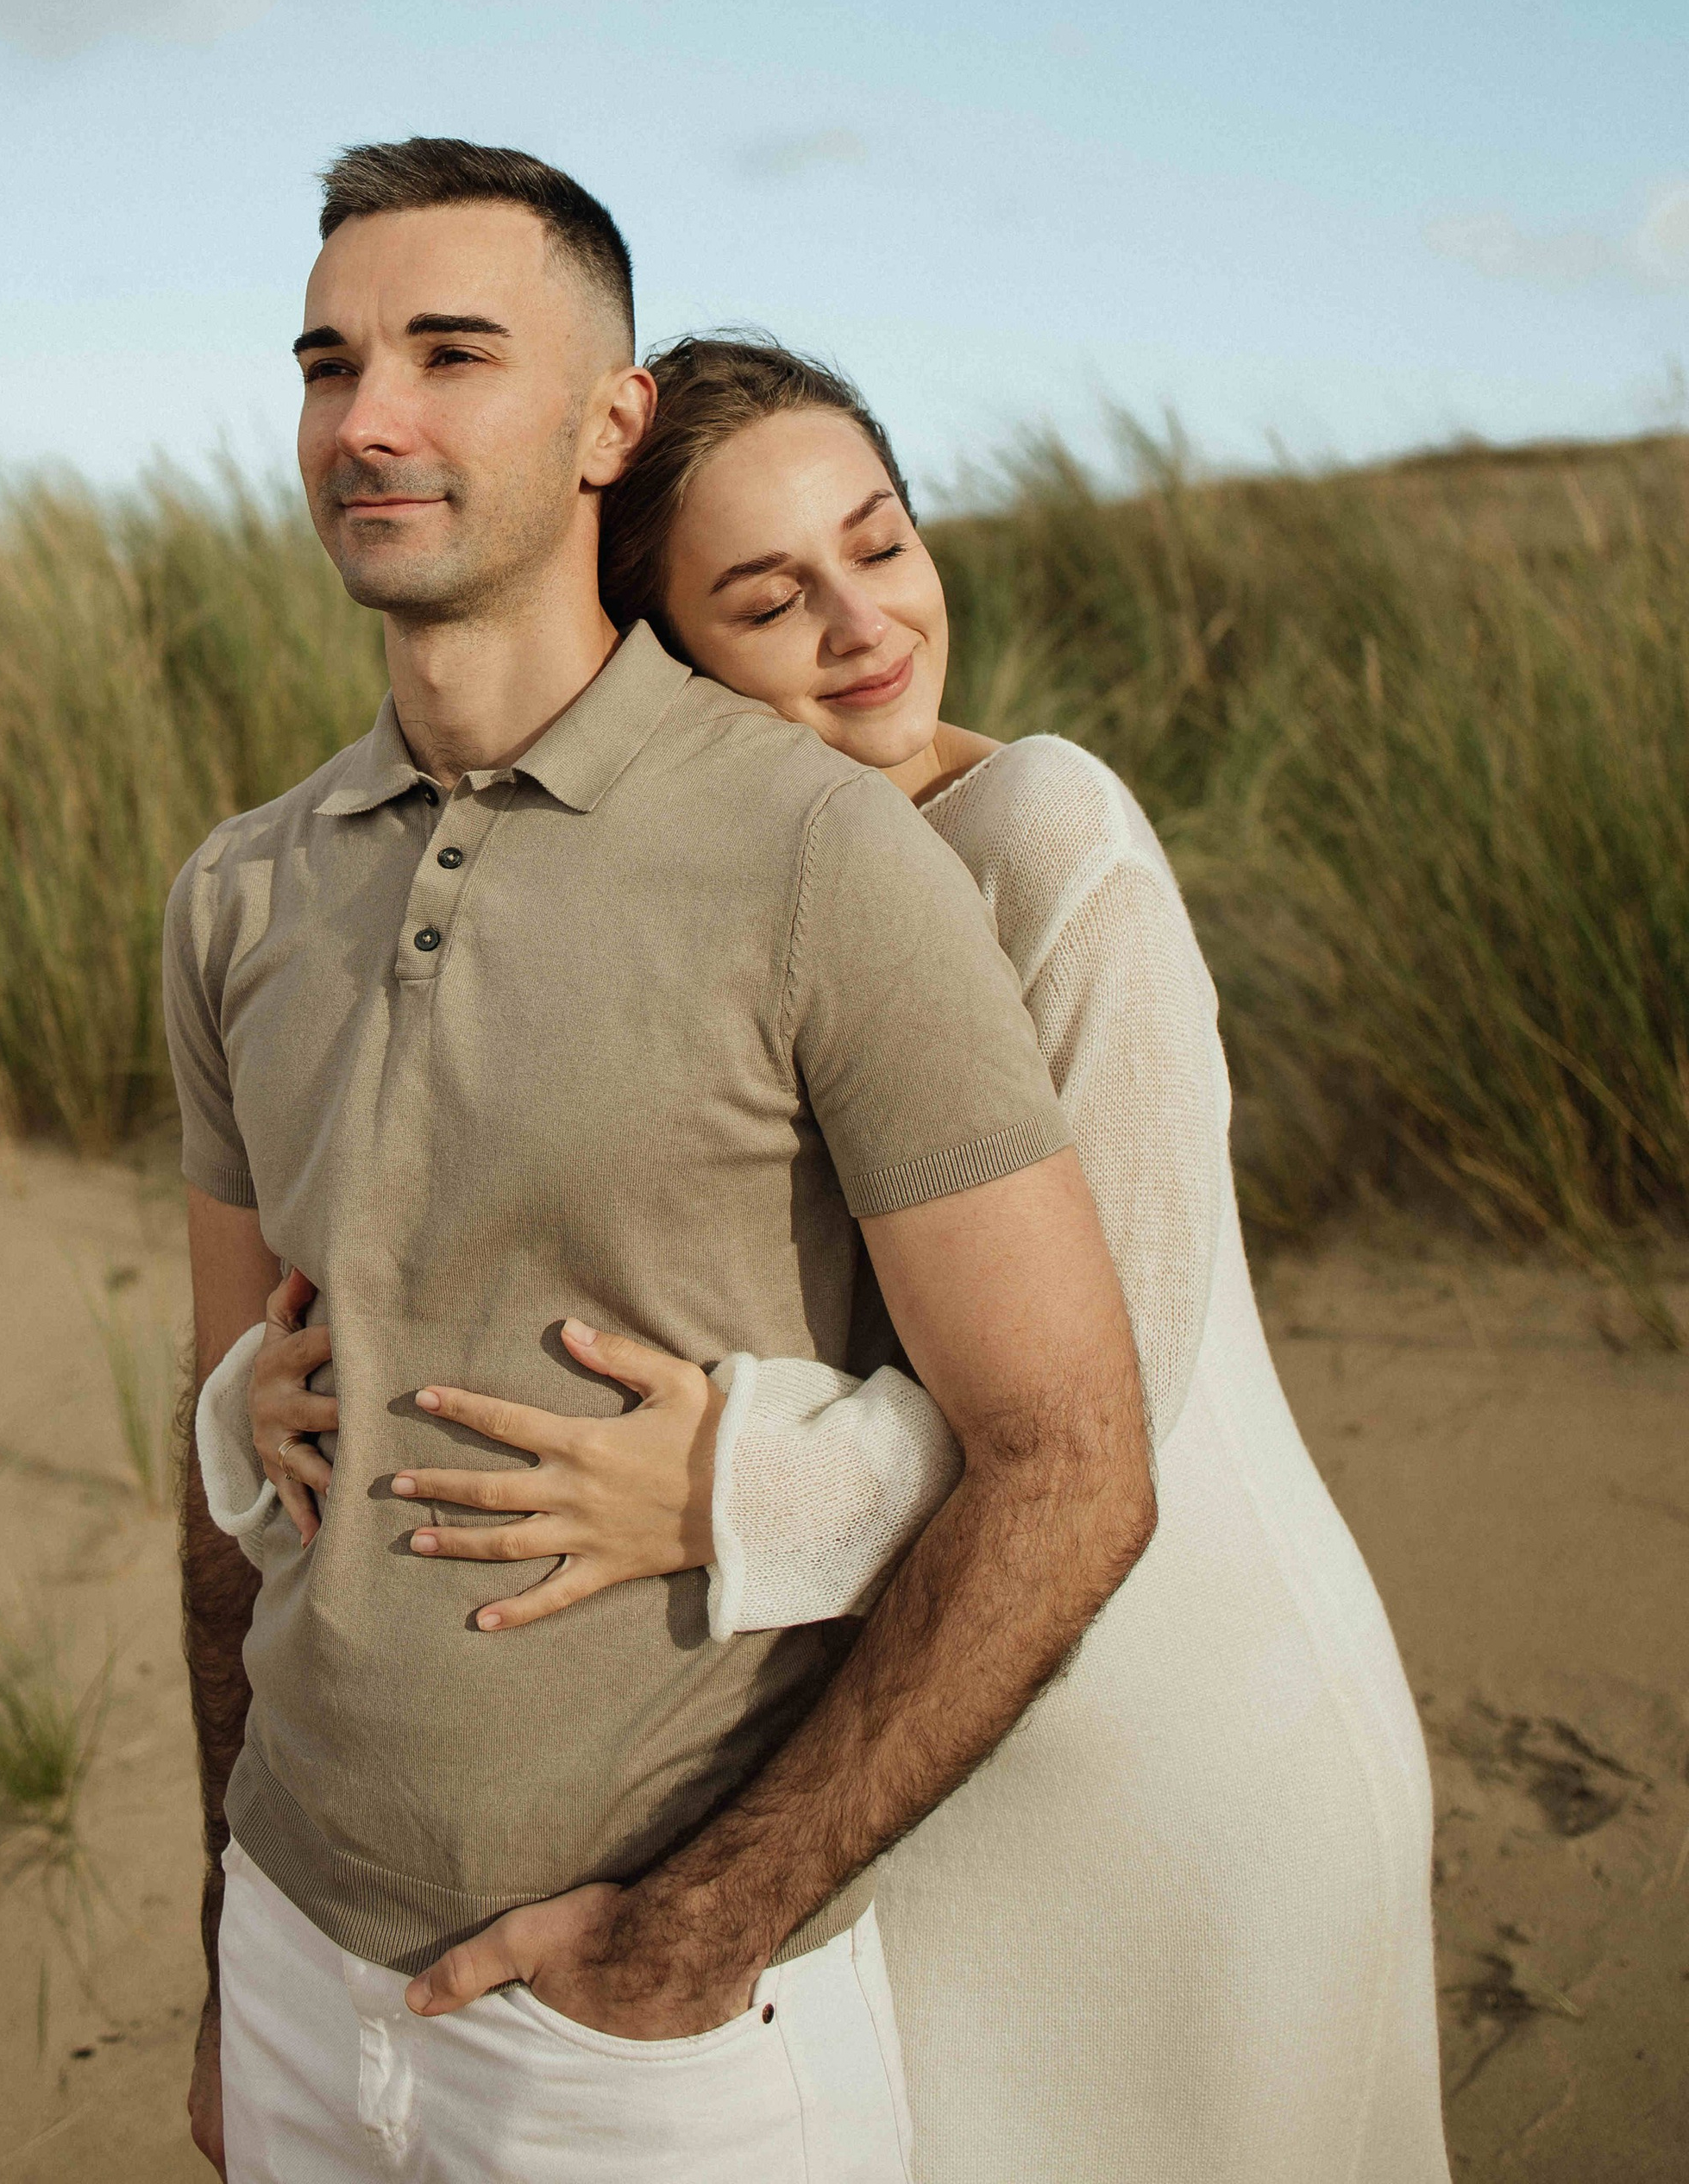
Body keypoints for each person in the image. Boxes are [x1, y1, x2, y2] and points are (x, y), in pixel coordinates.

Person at [218, 332, 1452, 2184]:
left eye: (877, 546)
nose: (861, 625)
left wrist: (723, 1480)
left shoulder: (1050, 840)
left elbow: (1126, 1377)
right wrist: (268, 1395)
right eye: (767, 596)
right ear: (658, 660)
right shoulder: (683, 882)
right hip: (892, 1752)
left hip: (1161, 1718)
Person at [170, 142, 1158, 2182]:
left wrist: (697, 1937)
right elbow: (217, 1498)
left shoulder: (822, 856)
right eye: (328, 360)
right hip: (288, 1951)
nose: (371, 418)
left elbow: (1069, 1462)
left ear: (611, 422)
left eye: (453, 354)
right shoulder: (235, 894)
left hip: (640, 2042)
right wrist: (220, 1946)